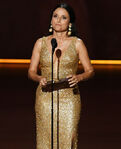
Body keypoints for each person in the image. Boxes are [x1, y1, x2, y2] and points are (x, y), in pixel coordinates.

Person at [28, 3, 94, 149]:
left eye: (63, 17)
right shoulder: (41, 43)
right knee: (46, 139)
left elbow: (90, 70)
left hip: (69, 97)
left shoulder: (77, 43)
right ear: (51, 20)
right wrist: (39, 78)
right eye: (55, 16)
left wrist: (79, 77)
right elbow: (31, 71)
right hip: (45, 97)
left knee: (68, 137)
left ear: (70, 23)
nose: (58, 20)